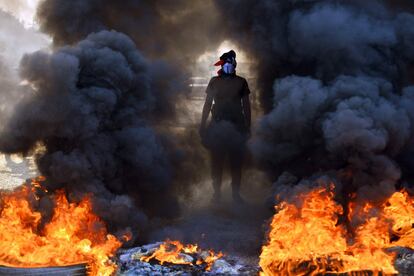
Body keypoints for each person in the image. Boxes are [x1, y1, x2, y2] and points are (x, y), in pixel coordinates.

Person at [199, 50, 251, 203]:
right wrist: (203, 124)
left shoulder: (241, 82)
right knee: (217, 160)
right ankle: (217, 194)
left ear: (235, 64)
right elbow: (208, 104)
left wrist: (248, 125)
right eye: (226, 62)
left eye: (231, 62)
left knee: (236, 161)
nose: (229, 65)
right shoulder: (214, 81)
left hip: (237, 126)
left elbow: (246, 105)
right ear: (222, 64)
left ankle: (235, 193)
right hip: (218, 126)